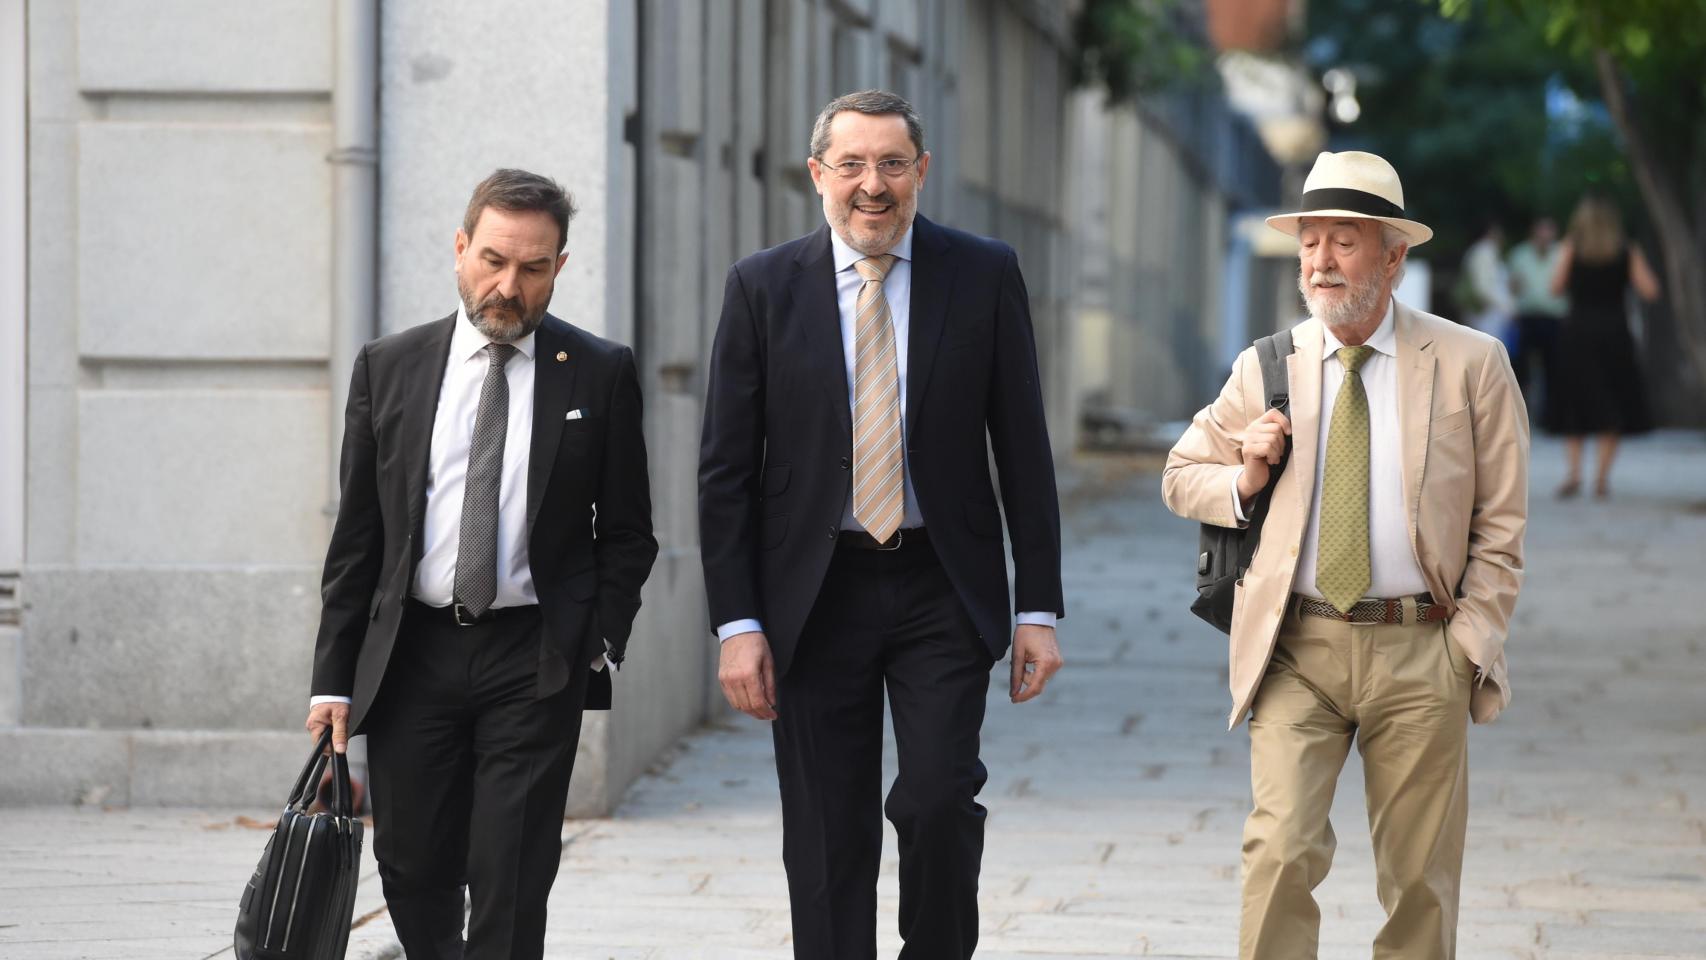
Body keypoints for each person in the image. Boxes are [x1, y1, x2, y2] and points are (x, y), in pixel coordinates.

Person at [698, 89, 1065, 960]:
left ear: (921, 172)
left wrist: (1038, 608)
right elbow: (724, 471)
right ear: (817, 175)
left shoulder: (982, 273)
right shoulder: (762, 286)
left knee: (937, 799)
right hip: (812, 595)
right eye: (853, 165)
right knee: (827, 830)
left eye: (893, 164)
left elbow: (1023, 448)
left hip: (941, 582)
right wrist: (738, 623)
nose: (873, 186)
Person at [1163, 151, 1529, 960]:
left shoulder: (1471, 364)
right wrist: (1244, 475)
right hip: (1299, 648)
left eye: (1344, 241)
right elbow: (1181, 476)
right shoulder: (1267, 366)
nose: (1321, 262)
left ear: (1394, 256)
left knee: (1421, 879)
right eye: (1310, 243)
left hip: (1422, 646)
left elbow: (1502, 524)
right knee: (1281, 851)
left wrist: (1469, 642)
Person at [304, 169, 658, 960]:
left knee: (513, 870)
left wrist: (596, 634)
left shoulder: (598, 371)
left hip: (533, 654)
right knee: (410, 863)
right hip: (412, 655)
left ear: (559, 267)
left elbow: (629, 530)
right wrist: (333, 677)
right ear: (461, 249)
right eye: (494, 259)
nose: (509, 285)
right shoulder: (389, 367)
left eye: (533, 268)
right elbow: (358, 537)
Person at [1543, 195, 1662, 499]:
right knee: (1612, 402)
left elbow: (1555, 288)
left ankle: (1574, 473)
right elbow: (1650, 290)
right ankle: (1601, 479)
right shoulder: (1626, 250)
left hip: (1577, 332)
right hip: (1614, 333)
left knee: (1575, 404)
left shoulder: (1572, 248)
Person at [1505, 216, 1569, 409]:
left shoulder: (1561, 253)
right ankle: (1522, 410)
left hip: (1554, 318)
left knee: (1554, 366)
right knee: (1521, 368)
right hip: (1528, 317)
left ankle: (1552, 412)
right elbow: (1512, 286)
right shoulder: (1520, 255)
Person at [1462, 220, 1516, 351]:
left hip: (1490, 313)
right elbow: (1483, 287)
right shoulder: (1484, 251)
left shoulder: (1486, 251)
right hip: (1486, 313)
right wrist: (1507, 307)